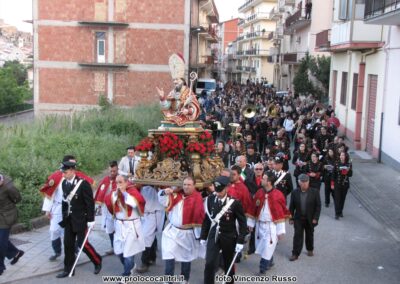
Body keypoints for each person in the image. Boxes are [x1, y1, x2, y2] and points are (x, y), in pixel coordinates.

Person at [40, 155, 95, 261]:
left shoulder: (79, 178)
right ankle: (57, 251)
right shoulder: (55, 176)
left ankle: (73, 251)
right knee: (54, 231)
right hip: (57, 208)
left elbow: (87, 197)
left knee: (70, 232)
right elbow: (49, 194)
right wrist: (47, 210)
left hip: (72, 209)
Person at [56, 158, 102, 278]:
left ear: (72, 171)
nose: (63, 174)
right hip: (69, 220)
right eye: (63, 172)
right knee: (68, 244)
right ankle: (68, 269)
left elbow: (89, 203)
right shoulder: (64, 183)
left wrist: (91, 220)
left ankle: (97, 261)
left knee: (83, 245)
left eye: (65, 172)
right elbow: (65, 202)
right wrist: (64, 217)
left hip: (81, 220)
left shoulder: (83, 184)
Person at [201, 176, 248, 284]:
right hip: (214, 235)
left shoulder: (234, 203)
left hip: (229, 236)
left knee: (228, 264)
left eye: (220, 190)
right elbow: (207, 219)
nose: (218, 193)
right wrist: (203, 236)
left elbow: (242, 222)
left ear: (227, 188)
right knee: (209, 263)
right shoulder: (210, 199)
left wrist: (240, 240)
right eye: (216, 190)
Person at [158, 177, 205, 284]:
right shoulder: (175, 195)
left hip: (187, 234)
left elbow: (200, 216)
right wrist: (164, 192)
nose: (186, 187)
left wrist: (200, 236)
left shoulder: (197, 198)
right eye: (184, 184)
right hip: (172, 232)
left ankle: (184, 279)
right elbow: (163, 201)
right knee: (169, 255)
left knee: (185, 259)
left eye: (189, 185)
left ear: (194, 186)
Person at [248, 172, 291, 274]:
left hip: (271, 227)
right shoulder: (259, 193)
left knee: (268, 247)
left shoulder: (278, 195)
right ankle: (270, 261)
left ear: (269, 182)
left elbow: (280, 214)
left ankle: (262, 269)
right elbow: (253, 208)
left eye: (264, 178)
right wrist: (251, 223)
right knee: (264, 247)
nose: (261, 180)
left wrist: (281, 231)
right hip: (260, 225)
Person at [104, 175, 146, 276]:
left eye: (120, 182)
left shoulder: (132, 191)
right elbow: (109, 204)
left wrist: (124, 193)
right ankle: (131, 266)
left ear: (127, 182)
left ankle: (127, 274)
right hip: (119, 225)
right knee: (118, 251)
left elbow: (137, 203)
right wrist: (116, 195)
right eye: (117, 182)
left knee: (128, 253)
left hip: (131, 226)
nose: (118, 185)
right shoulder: (115, 192)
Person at [157, 53, 201, 126]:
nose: (175, 82)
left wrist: (188, 111)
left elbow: (195, 107)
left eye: (177, 79)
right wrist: (162, 98)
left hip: (185, 120)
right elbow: (166, 107)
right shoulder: (172, 93)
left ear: (182, 80)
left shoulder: (188, 92)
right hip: (173, 118)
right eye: (174, 80)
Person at [289, 174, 321, 261]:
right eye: (302, 182)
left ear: (308, 182)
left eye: (306, 182)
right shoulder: (295, 193)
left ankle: (310, 249)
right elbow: (292, 207)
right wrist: (291, 218)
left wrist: (316, 218)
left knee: (309, 234)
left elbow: (318, 206)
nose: (304, 184)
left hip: (310, 218)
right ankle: (295, 253)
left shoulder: (314, 192)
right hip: (298, 218)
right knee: (297, 236)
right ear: (299, 183)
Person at [136, 185, 165, 273]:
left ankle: (145, 262)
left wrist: (156, 186)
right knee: (150, 236)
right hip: (143, 214)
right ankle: (152, 257)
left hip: (154, 213)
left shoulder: (159, 184)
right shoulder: (141, 184)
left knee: (146, 237)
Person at [0, 174, 24, 276]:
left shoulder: (8, 187)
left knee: (1, 242)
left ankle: (0, 267)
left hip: (6, 216)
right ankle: (16, 253)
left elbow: (18, 198)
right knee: (2, 240)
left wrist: (7, 206)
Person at [94, 160, 118, 254]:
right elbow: (100, 193)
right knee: (109, 228)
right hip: (106, 209)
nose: (112, 173)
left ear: (117, 170)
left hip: (117, 209)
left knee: (118, 228)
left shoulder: (120, 180)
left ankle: (120, 246)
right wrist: (99, 206)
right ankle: (113, 247)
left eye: (114, 171)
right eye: (110, 171)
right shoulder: (105, 180)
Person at [333, 152, 353, 220]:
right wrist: (332, 184)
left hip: (345, 184)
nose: (342, 156)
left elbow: (350, 175)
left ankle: (340, 211)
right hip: (337, 184)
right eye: (341, 155)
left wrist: (348, 170)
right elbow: (333, 174)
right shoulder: (336, 163)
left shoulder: (348, 164)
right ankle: (337, 213)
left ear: (345, 156)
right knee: (337, 199)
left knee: (342, 199)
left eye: (343, 155)